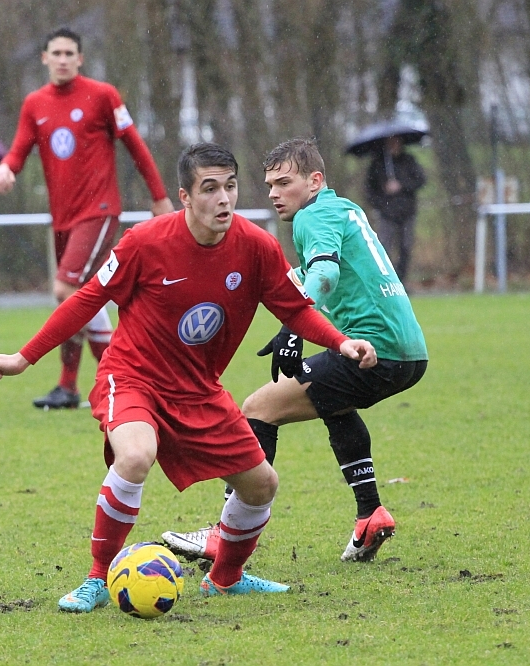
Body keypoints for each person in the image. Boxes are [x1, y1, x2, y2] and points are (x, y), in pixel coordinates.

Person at [0, 143, 377, 613]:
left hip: (198, 390)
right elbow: (87, 299)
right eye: (209, 189)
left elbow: (295, 309)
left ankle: (225, 579)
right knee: (134, 457)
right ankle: (96, 579)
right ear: (185, 196)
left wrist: (340, 343)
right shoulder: (144, 242)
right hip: (134, 377)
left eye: (230, 186)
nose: (223, 198)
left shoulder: (256, 246)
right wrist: (24, 358)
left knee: (261, 485)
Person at [162, 137, 428, 564]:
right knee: (332, 403)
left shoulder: (311, 215)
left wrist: (292, 327)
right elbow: (310, 273)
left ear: (314, 181)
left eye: (284, 183)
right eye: (270, 184)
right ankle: (370, 514)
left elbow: (324, 274)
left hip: (374, 349)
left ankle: (225, 535)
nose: (274, 193)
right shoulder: (343, 209)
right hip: (408, 353)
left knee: (258, 409)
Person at [0, 26, 175, 410]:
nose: (62, 60)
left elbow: (136, 146)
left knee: (66, 291)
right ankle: (69, 386)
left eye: (69, 53)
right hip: (63, 218)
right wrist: (6, 168)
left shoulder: (103, 95)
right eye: (56, 53)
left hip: (99, 210)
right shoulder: (34, 103)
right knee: (79, 297)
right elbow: (19, 149)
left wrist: (159, 197)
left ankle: (118, 376)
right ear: (44, 58)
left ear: (80, 58)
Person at [364, 135, 426, 283]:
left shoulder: (409, 160)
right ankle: (386, 280)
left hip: (407, 211)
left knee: (406, 247)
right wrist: (381, 203)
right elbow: (369, 190)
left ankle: (401, 279)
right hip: (387, 213)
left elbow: (420, 180)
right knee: (384, 247)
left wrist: (401, 185)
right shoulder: (378, 164)